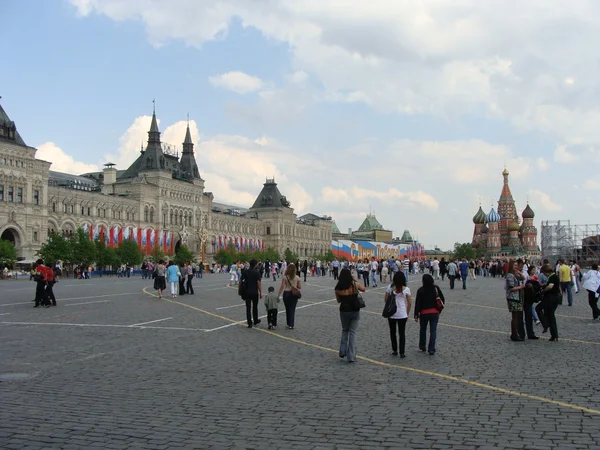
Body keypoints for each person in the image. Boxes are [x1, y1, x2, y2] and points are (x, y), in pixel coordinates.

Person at [335, 268, 365, 363]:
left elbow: (338, 300)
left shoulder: (337, 288)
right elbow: (364, 289)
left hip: (344, 310)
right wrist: (355, 280)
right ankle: (351, 355)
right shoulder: (354, 285)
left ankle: (342, 351)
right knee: (353, 333)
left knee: (345, 330)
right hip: (354, 310)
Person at [414, 273, 445, 355]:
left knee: (423, 330)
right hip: (434, 313)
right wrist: (439, 310)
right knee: (433, 331)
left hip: (424, 313)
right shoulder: (436, 288)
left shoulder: (420, 290)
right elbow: (442, 299)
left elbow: (418, 303)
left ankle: (422, 345)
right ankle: (431, 349)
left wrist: (416, 314)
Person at [385, 271, 411, 357]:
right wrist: (407, 313)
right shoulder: (406, 289)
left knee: (393, 332)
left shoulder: (389, 287)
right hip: (402, 314)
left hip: (392, 313)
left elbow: (386, 299)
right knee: (402, 333)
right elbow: (409, 303)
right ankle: (402, 352)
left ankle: (395, 350)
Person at [505, 260, 526, 341]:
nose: (516, 267)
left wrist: (519, 272)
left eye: (517, 265)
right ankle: (514, 334)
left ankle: (515, 334)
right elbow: (511, 288)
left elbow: (523, 278)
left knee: (516, 316)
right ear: (511, 266)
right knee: (515, 317)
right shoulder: (510, 276)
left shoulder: (514, 275)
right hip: (513, 298)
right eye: (514, 265)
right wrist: (521, 287)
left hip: (517, 297)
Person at [277, 263, 301, 329]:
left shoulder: (285, 277)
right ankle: (291, 324)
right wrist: (295, 286)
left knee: (287, 309)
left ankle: (288, 323)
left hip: (286, 293)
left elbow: (282, 286)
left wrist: (278, 295)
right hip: (293, 294)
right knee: (292, 309)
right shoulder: (297, 277)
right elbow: (299, 286)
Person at [541, 264, 561, 341]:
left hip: (551, 298)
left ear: (546, 272)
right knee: (551, 316)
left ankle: (547, 327)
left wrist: (543, 291)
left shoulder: (553, 277)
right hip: (554, 298)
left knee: (549, 315)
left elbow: (550, 286)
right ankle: (554, 335)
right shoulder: (553, 276)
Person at [241, 259, 262, 328]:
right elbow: (258, 283)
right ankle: (255, 320)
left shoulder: (245, 272)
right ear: (255, 264)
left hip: (247, 292)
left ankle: (249, 322)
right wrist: (260, 292)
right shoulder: (257, 273)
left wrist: (239, 290)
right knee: (255, 307)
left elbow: (241, 281)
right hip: (254, 292)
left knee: (248, 308)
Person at [523, 266, 541, 339]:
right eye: (532, 270)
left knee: (530, 313)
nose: (534, 271)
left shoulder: (535, 277)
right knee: (529, 313)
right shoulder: (526, 276)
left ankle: (530, 333)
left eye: (534, 270)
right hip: (525, 297)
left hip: (530, 298)